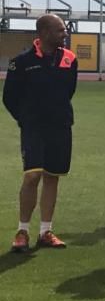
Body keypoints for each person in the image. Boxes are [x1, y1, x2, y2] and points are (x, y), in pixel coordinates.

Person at [4, 15, 78, 252]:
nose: (64, 34)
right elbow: (9, 97)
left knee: (52, 176)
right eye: (60, 30)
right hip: (34, 128)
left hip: (61, 127)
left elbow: (69, 92)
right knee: (32, 176)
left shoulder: (70, 59)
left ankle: (45, 231)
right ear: (44, 33)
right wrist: (25, 120)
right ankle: (22, 231)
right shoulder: (22, 62)